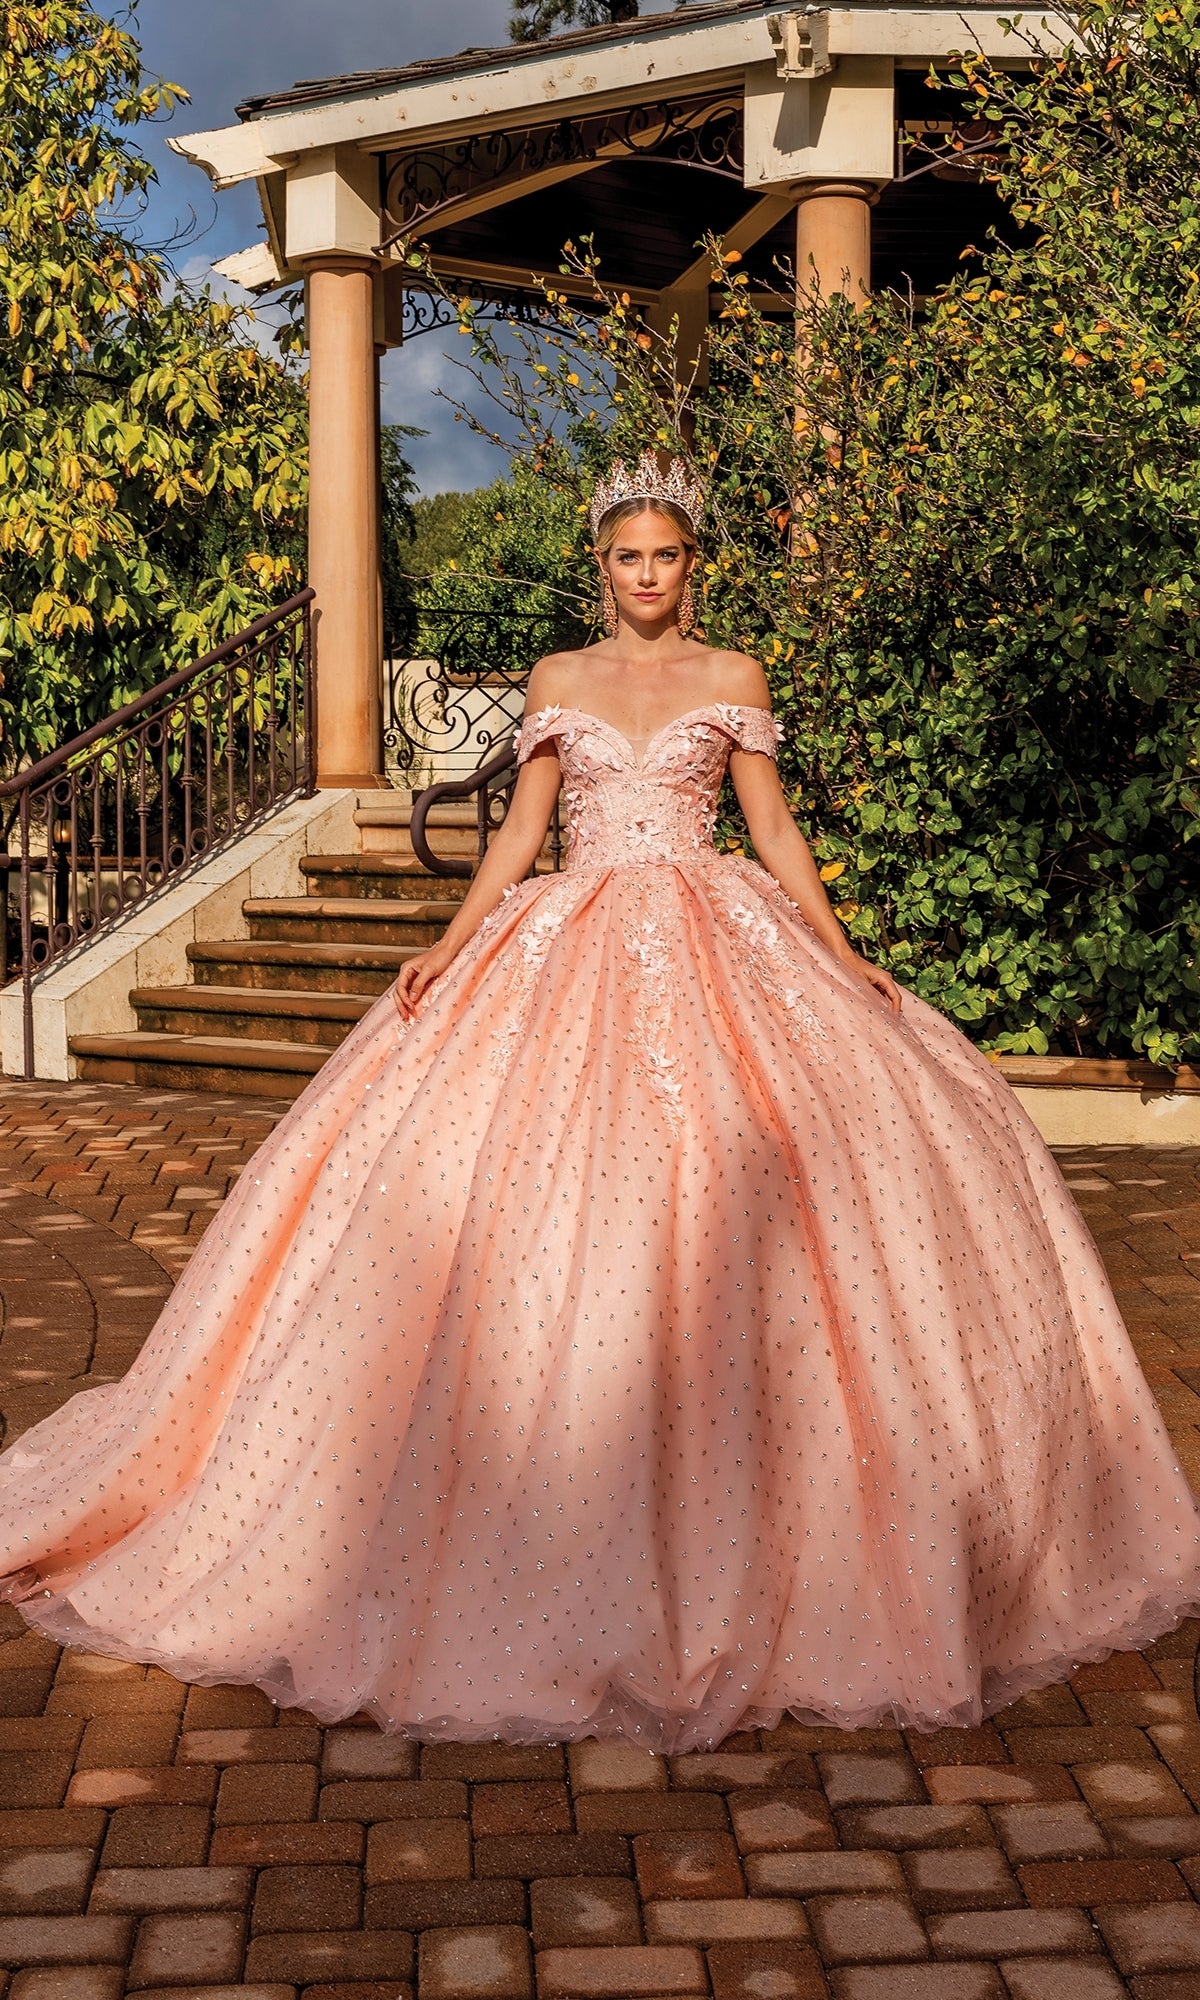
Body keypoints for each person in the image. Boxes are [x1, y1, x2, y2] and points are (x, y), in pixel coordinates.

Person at [0, 451, 1196, 1752]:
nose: (644, 576)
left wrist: (843, 953)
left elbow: (774, 831)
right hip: (564, 944)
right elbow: (521, 834)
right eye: (625, 557)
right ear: (601, 567)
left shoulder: (732, 679)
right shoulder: (559, 683)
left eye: (665, 556)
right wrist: (450, 946)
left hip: (714, 929)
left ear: (692, 566)